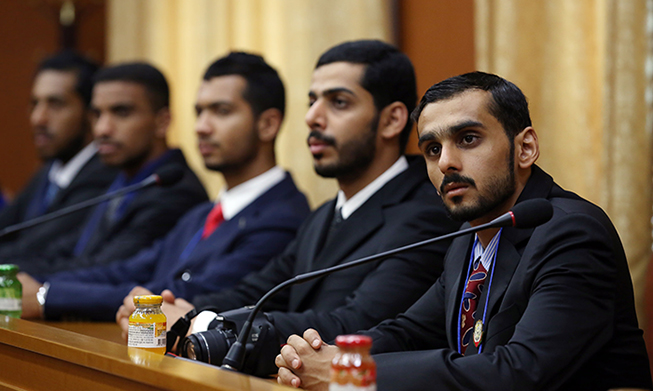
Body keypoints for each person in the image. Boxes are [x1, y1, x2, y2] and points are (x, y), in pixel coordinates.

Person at [276, 72, 653, 390]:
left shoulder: (571, 234)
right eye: (432, 149)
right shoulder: (469, 241)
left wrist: (349, 374)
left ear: (525, 148)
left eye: (468, 139)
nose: (447, 163)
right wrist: (326, 355)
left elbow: (521, 371)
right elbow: (408, 332)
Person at [127, 40, 458, 356]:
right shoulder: (323, 214)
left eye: (338, 102)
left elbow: (357, 324)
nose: (312, 117)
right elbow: (256, 291)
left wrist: (200, 323)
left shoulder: (428, 211)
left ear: (392, 120)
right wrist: (173, 309)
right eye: (312, 101)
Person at [17, 52, 310, 322]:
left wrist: (48, 296)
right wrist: (32, 283)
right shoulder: (201, 214)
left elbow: (191, 293)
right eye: (199, 112)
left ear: (268, 125)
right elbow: (129, 270)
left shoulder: (284, 217)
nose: (201, 127)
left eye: (221, 111)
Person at [17, 62, 211, 318]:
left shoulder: (175, 190)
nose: (102, 129)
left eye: (121, 112)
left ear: (162, 121)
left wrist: (43, 292)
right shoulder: (122, 177)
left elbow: (110, 267)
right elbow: (69, 249)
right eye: (97, 114)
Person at [0, 51, 118, 258]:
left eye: (55, 104)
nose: (38, 119)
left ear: (91, 113)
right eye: (35, 103)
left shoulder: (103, 174)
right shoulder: (49, 171)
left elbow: (35, 250)